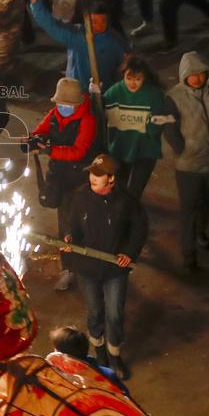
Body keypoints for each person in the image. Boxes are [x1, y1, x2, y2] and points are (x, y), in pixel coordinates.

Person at [63, 153, 148, 379]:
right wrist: (70, 238)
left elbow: (139, 230)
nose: (93, 177)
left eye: (99, 175)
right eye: (92, 172)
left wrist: (129, 253)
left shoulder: (126, 201)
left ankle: (114, 353)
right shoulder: (81, 197)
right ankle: (99, 352)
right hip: (87, 267)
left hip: (114, 270)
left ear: (111, 179)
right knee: (95, 311)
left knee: (114, 312)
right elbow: (72, 225)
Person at [164, 51, 209, 272]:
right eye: (192, 75)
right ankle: (188, 252)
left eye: (200, 74)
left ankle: (201, 232)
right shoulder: (174, 98)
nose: (197, 79)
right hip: (189, 165)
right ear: (184, 75)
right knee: (188, 208)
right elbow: (169, 127)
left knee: (207, 202)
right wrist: (181, 149)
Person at [29, 78, 97, 292]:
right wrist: (33, 139)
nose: (63, 108)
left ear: (77, 104)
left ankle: (87, 261)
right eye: (60, 104)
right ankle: (68, 268)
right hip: (60, 177)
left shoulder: (87, 120)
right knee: (65, 224)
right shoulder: (55, 115)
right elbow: (41, 130)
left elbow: (79, 151)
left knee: (80, 221)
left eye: (67, 105)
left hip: (80, 179)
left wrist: (49, 151)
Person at [22, 0, 127, 92]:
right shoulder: (76, 36)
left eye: (102, 22)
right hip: (77, 93)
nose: (98, 26)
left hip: (105, 93)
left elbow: (124, 65)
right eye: (94, 21)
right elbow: (51, 25)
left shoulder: (115, 40)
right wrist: (34, 0)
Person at [104, 54, 169, 199]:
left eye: (137, 79)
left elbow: (157, 127)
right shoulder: (115, 91)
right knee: (117, 189)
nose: (132, 83)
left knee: (135, 192)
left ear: (144, 77)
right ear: (123, 76)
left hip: (145, 150)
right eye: (129, 78)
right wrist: (94, 95)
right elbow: (100, 110)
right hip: (121, 148)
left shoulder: (154, 94)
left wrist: (156, 123)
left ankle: (131, 216)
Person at [48, 324, 123, 389]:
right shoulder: (108, 374)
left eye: (56, 351)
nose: (54, 354)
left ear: (67, 359)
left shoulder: (60, 382)